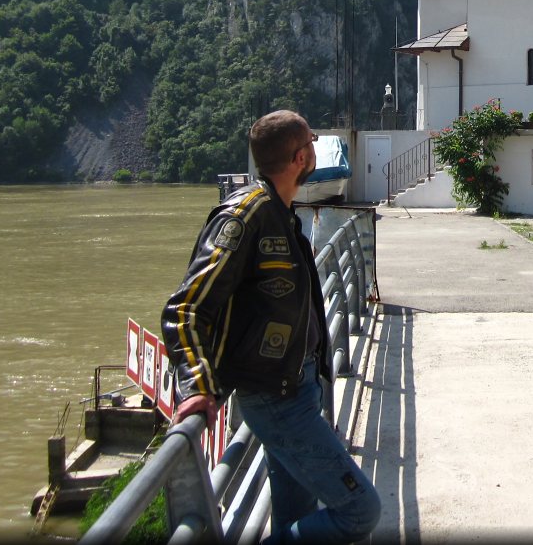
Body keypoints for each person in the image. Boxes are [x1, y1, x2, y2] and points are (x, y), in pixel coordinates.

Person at [162, 110, 380, 544]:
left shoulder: (280, 212)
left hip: (297, 388)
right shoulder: (245, 217)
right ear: (300, 158)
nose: (315, 148)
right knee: (359, 510)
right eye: (312, 142)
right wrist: (198, 384)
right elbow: (184, 308)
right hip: (278, 399)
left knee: (295, 515)